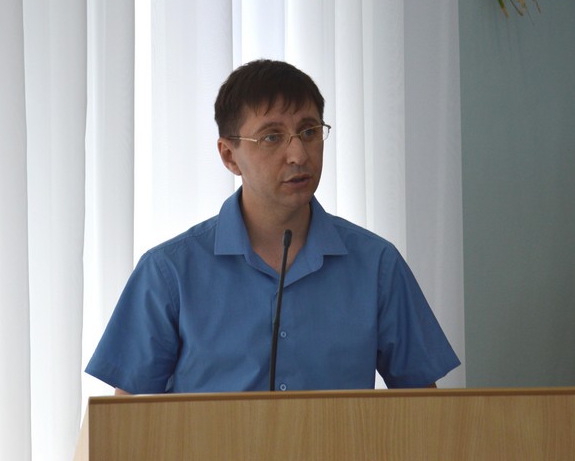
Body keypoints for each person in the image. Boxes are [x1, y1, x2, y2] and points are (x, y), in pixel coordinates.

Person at [85, 59, 459, 394]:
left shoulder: (377, 265)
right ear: (229, 156)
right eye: (272, 137)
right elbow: (129, 424)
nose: (298, 154)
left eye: (309, 131)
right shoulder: (169, 272)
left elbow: (424, 412)